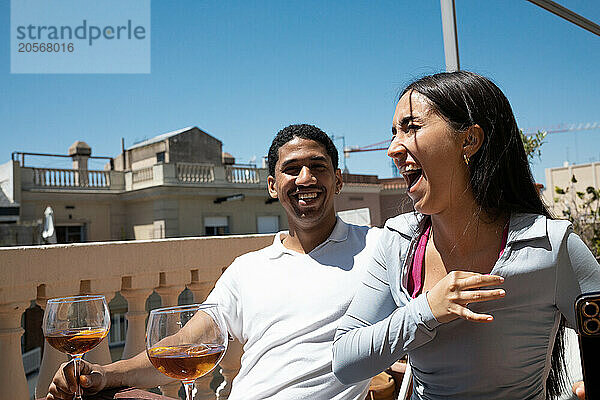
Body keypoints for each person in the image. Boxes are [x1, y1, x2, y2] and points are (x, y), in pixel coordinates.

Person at [46, 124, 380, 400]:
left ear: (338, 180)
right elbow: (187, 342)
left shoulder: (378, 249)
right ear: (273, 186)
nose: (305, 178)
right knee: (101, 396)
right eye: (291, 170)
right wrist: (105, 373)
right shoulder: (248, 269)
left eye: (317, 167)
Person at [332, 71, 600, 399]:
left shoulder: (551, 245)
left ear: (469, 140)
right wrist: (427, 311)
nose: (392, 149)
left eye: (411, 127)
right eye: (393, 133)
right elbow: (344, 360)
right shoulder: (397, 242)